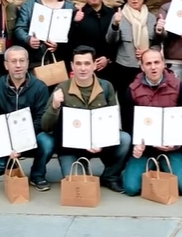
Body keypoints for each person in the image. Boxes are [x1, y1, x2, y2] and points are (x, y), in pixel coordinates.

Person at [42, 45, 130, 193]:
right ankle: (80, 167)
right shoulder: (61, 88)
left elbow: (112, 122)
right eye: (78, 63)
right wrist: (55, 106)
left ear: (94, 65)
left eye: (87, 63)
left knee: (125, 138)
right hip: (71, 147)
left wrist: (101, 142)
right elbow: (45, 126)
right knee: (78, 187)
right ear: (72, 66)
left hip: (99, 144)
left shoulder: (106, 87)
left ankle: (110, 176)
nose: (83, 68)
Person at [0, 46, 53, 191]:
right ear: (6, 65)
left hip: (31, 137)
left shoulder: (39, 87)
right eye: (13, 61)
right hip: (4, 139)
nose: (18, 65)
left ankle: (38, 174)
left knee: (47, 142)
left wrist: (20, 141)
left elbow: (40, 119)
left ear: (27, 63)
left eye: (22, 61)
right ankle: (12, 165)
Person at [120, 49, 182, 197]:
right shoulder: (132, 90)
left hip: (170, 147)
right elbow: (128, 124)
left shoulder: (177, 86)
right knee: (131, 188)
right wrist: (137, 145)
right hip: (145, 148)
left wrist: (176, 144)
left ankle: (161, 166)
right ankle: (141, 167)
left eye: (156, 62)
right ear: (142, 67)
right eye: (148, 63)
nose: (153, 67)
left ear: (163, 64)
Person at [105, 0, 163, 114]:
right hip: (124, 68)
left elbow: (157, 43)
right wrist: (115, 24)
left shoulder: (151, 18)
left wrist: (148, 52)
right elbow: (111, 40)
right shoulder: (120, 15)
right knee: (126, 105)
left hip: (145, 68)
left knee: (145, 104)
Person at [13, 0, 76, 73]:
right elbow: (19, 28)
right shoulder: (29, 5)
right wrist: (28, 39)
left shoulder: (69, 7)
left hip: (61, 62)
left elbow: (74, 36)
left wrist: (59, 46)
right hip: (35, 62)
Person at [69, 0, 118, 83]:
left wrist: (108, 58)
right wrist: (75, 23)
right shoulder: (76, 15)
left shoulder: (112, 14)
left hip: (108, 69)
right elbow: (69, 43)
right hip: (84, 69)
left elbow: (117, 42)